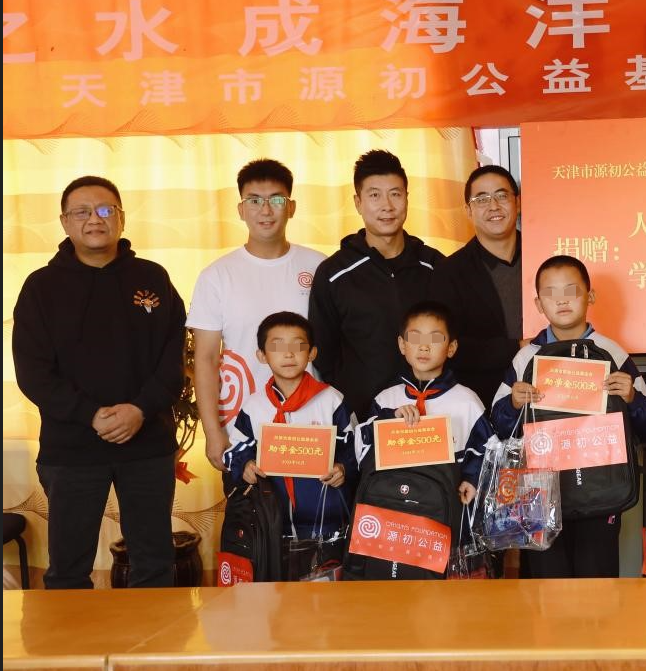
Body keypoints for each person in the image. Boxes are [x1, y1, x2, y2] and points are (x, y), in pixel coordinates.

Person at [13, 176, 186, 589]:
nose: (95, 219)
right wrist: (90, 415)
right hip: (71, 447)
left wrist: (139, 410)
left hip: (147, 443)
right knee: (68, 569)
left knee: (154, 563)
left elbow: (174, 358)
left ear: (121, 218)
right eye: (82, 212)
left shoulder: (153, 278)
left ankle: (150, 635)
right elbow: (33, 371)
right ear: (65, 222)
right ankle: (71, 635)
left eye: (106, 210)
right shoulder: (41, 287)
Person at [493, 256, 646, 578]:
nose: (562, 300)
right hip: (540, 497)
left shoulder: (612, 353)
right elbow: (499, 429)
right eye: (551, 293)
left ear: (590, 296)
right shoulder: (526, 357)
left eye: (571, 290)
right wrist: (512, 404)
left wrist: (631, 398)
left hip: (602, 493)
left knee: (597, 586)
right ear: (538, 304)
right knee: (547, 588)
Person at [187, 159, 324, 475]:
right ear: (240, 209)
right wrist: (213, 432)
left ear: (291, 207)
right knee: (250, 507)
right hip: (243, 432)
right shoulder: (216, 276)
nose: (265, 210)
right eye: (254, 200)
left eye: (276, 200)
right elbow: (205, 359)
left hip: (313, 426)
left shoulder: (319, 267)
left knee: (316, 507)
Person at [309, 149, 446, 416]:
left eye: (395, 194)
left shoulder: (435, 266)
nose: (387, 206)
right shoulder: (333, 273)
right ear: (358, 202)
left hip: (433, 416)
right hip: (363, 420)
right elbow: (323, 354)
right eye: (374, 195)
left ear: (407, 198)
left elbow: (455, 339)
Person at [223, 312, 354, 545]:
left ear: (312, 353)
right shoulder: (254, 406)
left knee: (327, 568)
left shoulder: (332, 400)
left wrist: (343, 468)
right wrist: (245, 466)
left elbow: (355, 448)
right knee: (277, 569)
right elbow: (236, 450)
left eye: (298, 345)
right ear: (262, 355)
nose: (288, 354)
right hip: (271, 523)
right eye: (277, 346)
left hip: (327, 523)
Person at [357, 301, 495, 500]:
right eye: (414, 338)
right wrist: (390, 418)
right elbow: (360, 452)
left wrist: (472, 479)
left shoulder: (467, 402)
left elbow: (489, 452)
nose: (423, 346)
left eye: (435, 338)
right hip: (391, 503)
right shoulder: (385, 399)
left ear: (451, 347)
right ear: (402, 345)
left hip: (444, 505)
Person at [432, 165, 526, 407]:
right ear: (468, 210)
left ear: (517, 202)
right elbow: (449, 346)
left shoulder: (545, 256)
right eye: (482, 199)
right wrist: (516, 348)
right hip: (482, 401)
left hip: (550, 394)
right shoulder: (449, 273)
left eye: (501, 195)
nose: (494, 206)